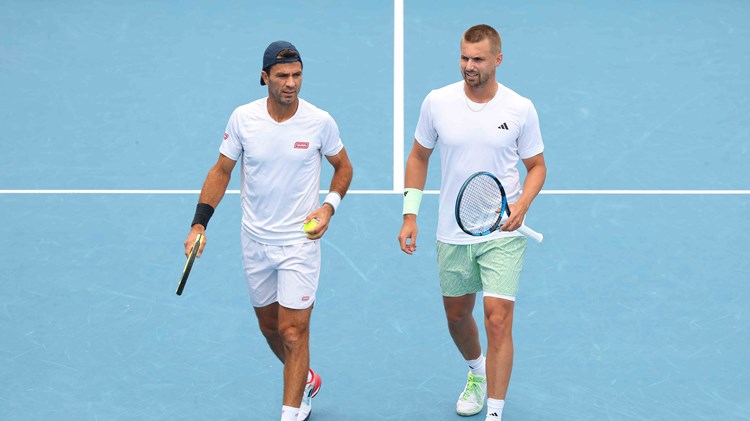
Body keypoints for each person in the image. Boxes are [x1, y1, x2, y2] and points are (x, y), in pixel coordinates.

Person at [184, 40, 353, 421]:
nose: (291, 83)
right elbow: (221, 171)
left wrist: (329, 207)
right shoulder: (243, 119)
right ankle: (305, 377)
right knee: (270, 327)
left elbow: (344, 167)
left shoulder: (319, 121)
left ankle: (291, 410)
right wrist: (199, 224)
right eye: (282, 76)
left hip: (299, 242)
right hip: (255, 242)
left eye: (296, 75)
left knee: (294, 332)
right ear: (265, 78)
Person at [397, 24, 546, 421]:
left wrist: (523, 203)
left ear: (498, 60)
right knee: (457, 316)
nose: (469, 66)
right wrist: (410, 213)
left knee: (497, 320)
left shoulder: (519, 108)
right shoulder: (438, 102)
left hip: (503, 231)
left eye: (477, 59)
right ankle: (477, 372)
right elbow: (418, 156)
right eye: (464, 57)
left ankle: (494, 413)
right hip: (453, 230)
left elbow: (536, 167)